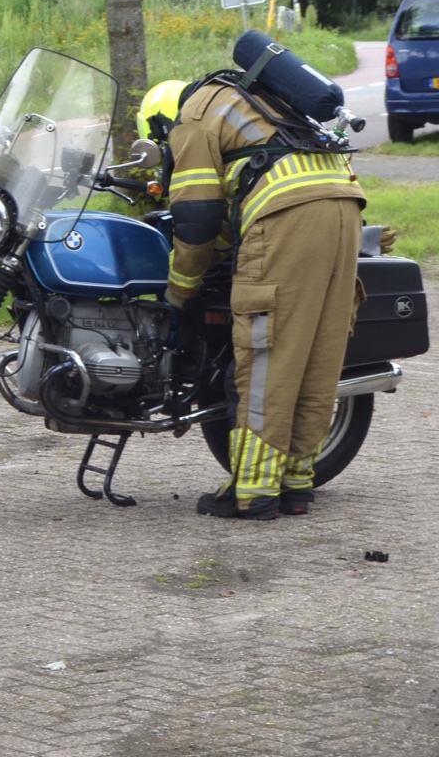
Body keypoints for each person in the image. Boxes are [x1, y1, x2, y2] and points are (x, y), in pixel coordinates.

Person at [141, 74, 365, 520]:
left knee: (268, 355)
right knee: (314, 352)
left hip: (289, 213)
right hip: (345, 208)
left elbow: (197, 215)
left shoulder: (192, 118)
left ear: (162, 120)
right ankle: (296, 481)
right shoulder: (258, 100)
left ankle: (254, 491)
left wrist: (180, 290)